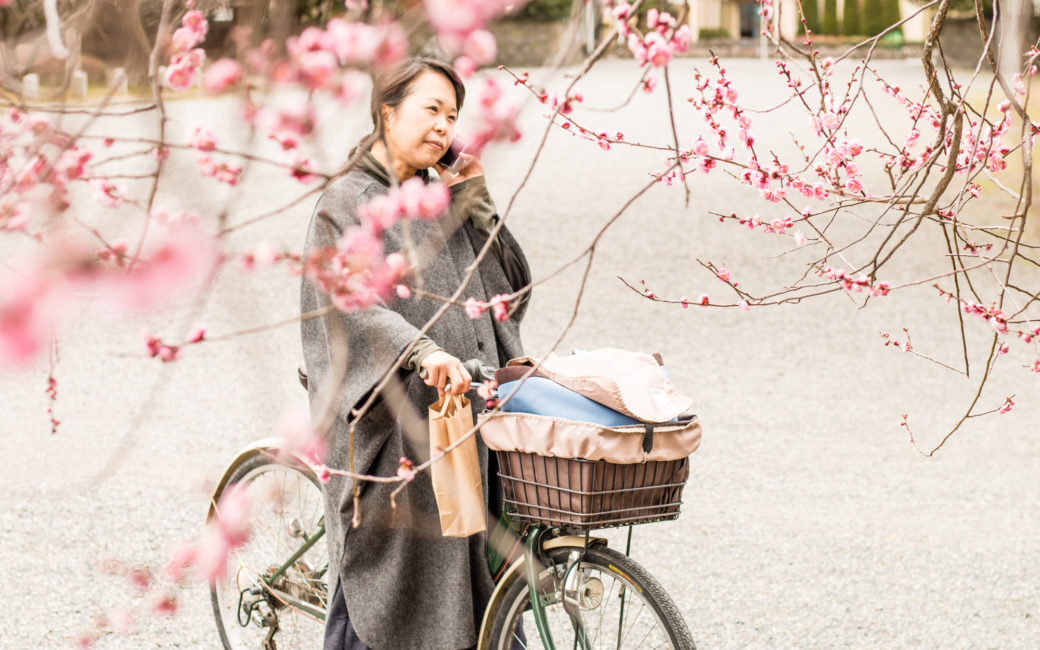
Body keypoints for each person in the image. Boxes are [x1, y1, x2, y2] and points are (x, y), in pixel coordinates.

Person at [300, 56, 531, 650]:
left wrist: (476, 204)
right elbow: (347, 302)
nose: (443, 127)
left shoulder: (439, 196)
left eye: (452, 116)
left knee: (478, 574)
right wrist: (421, 350)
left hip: (461, 417)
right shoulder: (344, 202)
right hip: (391, 428)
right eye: (431, 109)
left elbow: (506, 291)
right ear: (387, 111)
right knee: (385, 590)